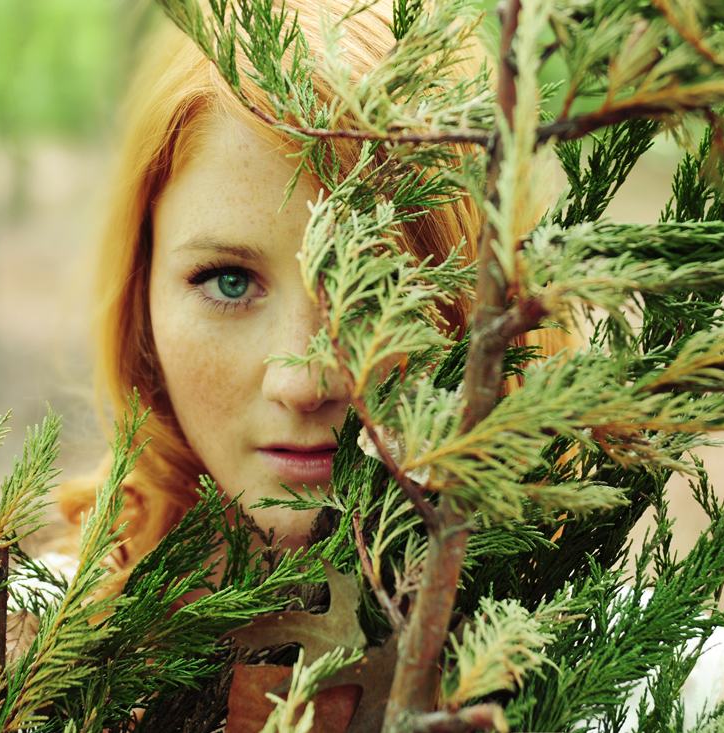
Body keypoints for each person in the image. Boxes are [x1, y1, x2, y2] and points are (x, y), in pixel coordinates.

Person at [54, 0, 569, 593]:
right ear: (143, 297)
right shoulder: (3, 662)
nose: (304, 383)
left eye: (378, 288)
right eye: (230, 281)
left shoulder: (672, 681)